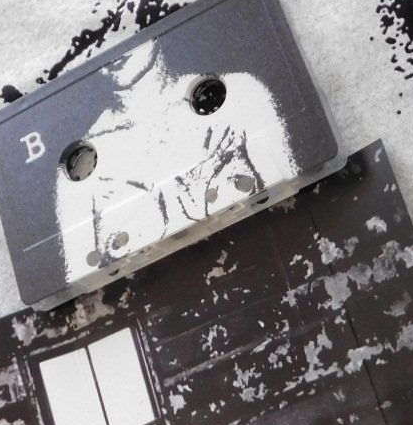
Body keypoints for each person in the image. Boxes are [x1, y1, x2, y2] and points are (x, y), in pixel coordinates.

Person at [53, 37, 295, 281]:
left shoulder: (243, 89)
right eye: (96, 41)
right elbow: (76, 273)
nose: (113, 50)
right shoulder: (74, 171)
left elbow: (293, 167)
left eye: (124, 30)